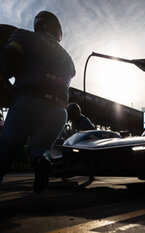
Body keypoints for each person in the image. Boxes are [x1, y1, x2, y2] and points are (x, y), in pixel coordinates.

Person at [0, 11, 75, 192]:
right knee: (40, 148)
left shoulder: (24, 35)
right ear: (58, 31)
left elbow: (11, 56)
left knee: (7, 148)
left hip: (28, 101)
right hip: (58, 111)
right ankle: (42, 161)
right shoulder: (68, 58)